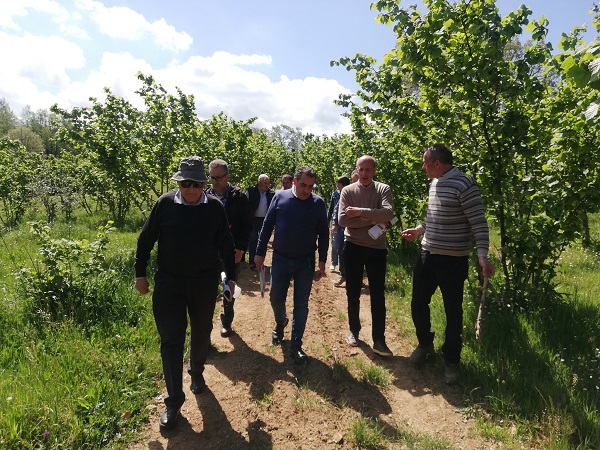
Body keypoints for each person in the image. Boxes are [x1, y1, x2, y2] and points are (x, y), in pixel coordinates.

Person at [134, 156, 237, 430]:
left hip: (204, 282)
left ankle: (197, 372)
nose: (191, 189)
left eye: (197, 184)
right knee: (171, 339)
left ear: (204, 184)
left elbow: (226, 246)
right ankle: (173, 401)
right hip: (170, 282)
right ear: (179, 182)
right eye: (186, 183)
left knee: (202, 331)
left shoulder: (215, 208)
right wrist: (140, 272)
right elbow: (145, 240)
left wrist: (231, 280)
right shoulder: (165, 204)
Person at [401, 144, 494, 385]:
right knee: (418, 301)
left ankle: (451, 361)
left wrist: (482, 255)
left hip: (453, 260)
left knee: (453, 311)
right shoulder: (435, 183)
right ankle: (425, 344)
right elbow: (433, 217)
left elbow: (479, 223)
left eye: (425, 163)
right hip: (427, 254)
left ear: (437, 164)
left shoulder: (465, 185)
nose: (423, 167)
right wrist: (420, 230)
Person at [254, 166, 329, 365]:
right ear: (294, 182)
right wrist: (260, 253)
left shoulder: (318, 203)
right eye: (303, 185)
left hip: (305, 261)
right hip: (280, 258)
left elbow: (323, 232)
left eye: (311, 186)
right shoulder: (280, 198)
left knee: (301, 304)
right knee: (275, 297)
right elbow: (267, 226)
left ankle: (296, 345)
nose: (307, 190)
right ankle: (280, 322)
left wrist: (322, 259)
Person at [338, 155, 394, 357]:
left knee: (377, 294)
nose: (363, 174)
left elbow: (388, 214)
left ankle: (379, 339)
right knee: (352, 292)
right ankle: (354, 331)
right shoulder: (347, 191)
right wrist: (372, 218)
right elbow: (343, 220)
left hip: (377, 249)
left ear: (374, 171)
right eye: (360, 170)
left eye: (367, 170)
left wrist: (359, 212)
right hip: (353, 246)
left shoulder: (383, 189)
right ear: (356, 170)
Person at [206, 159, 253, 338]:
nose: (216, 181)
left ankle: (226, 321)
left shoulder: (238, 197)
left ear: (228, 176)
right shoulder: (205, 196)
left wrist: (241, 248)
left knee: (229, 286)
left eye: (219, 177)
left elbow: (247, 225)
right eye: (213, 177)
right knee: (207, 290)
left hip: (231, 250)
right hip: (209, 251)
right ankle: (205, 329)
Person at [247, 174, 275, 269]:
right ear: (259, 182)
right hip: (253, 219)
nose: (267, 185)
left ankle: (260, 261)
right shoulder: (251, 191)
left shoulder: (271, 193)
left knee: (263, 241)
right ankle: (252, 262)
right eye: (265, 183)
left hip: (266, 220)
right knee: (253, 239)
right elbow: (245, 206)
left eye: (268, 183)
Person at [331, 176, 351, 286]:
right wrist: (334, 223)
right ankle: (343, 275)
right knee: (341, 251)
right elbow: (336, 209)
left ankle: (353, 277)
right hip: (342, 228)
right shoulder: (343, 194)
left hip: (355, 230)